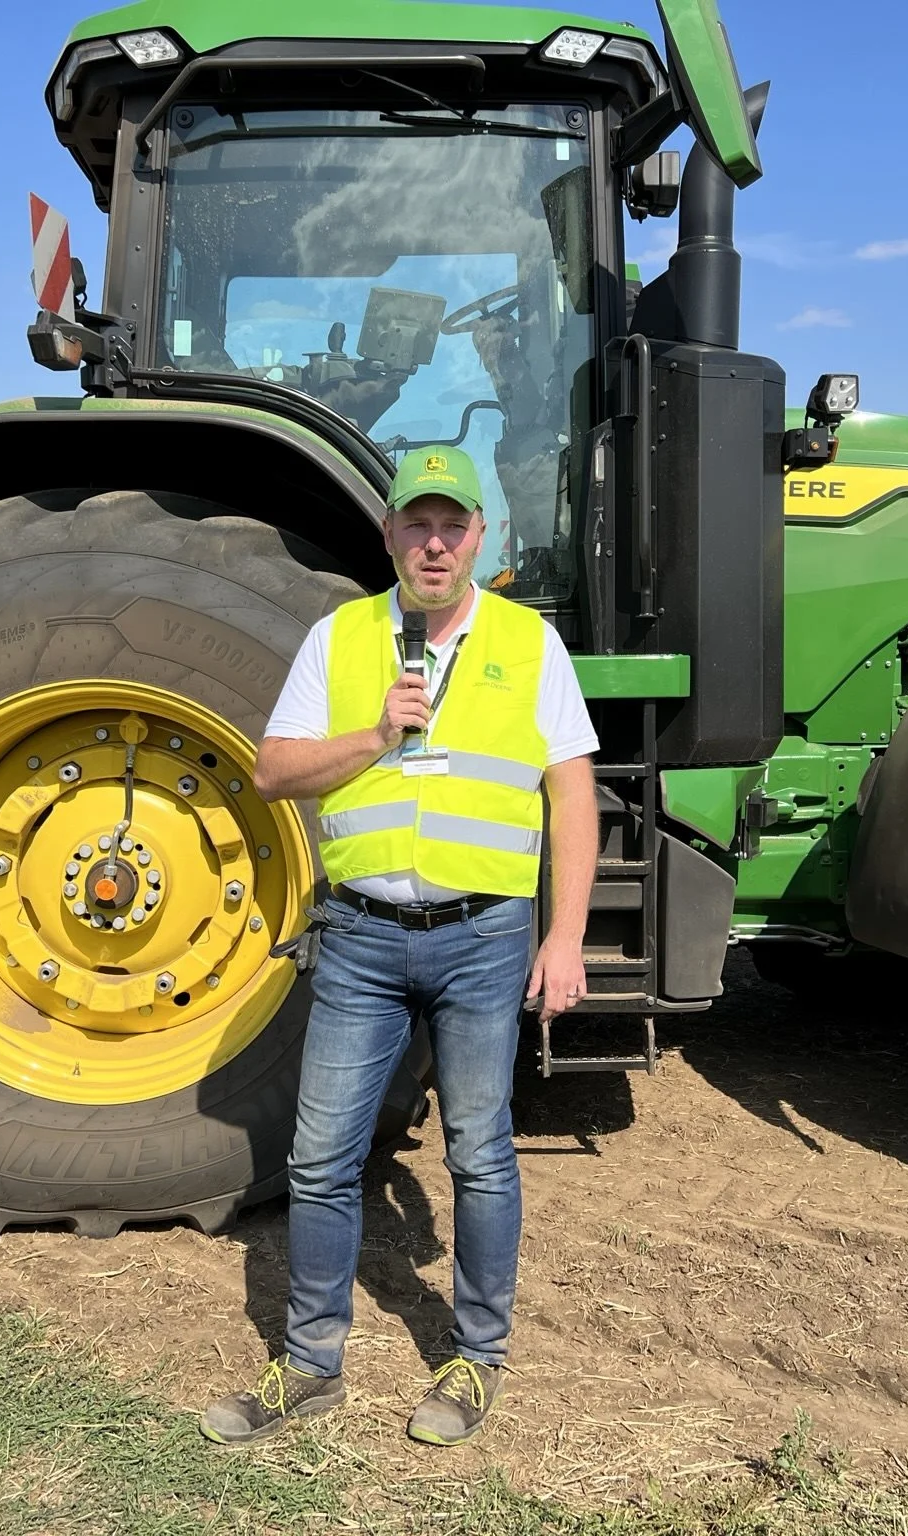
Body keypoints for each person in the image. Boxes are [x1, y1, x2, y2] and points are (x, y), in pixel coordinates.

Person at [200, 444, 599, 1448]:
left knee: (480, 1154)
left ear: (479, 537)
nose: (433, 542)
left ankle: (473, 1359)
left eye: (451, 524)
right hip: (362, 943)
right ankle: (310, 1364)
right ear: (386, 535)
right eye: (415, 524)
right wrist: (376, 736)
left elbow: (571, 795)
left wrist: (564, 936)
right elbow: (273, 770)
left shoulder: (527, 642)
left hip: (483, 938)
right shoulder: (339, 640)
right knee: (322, 1159)